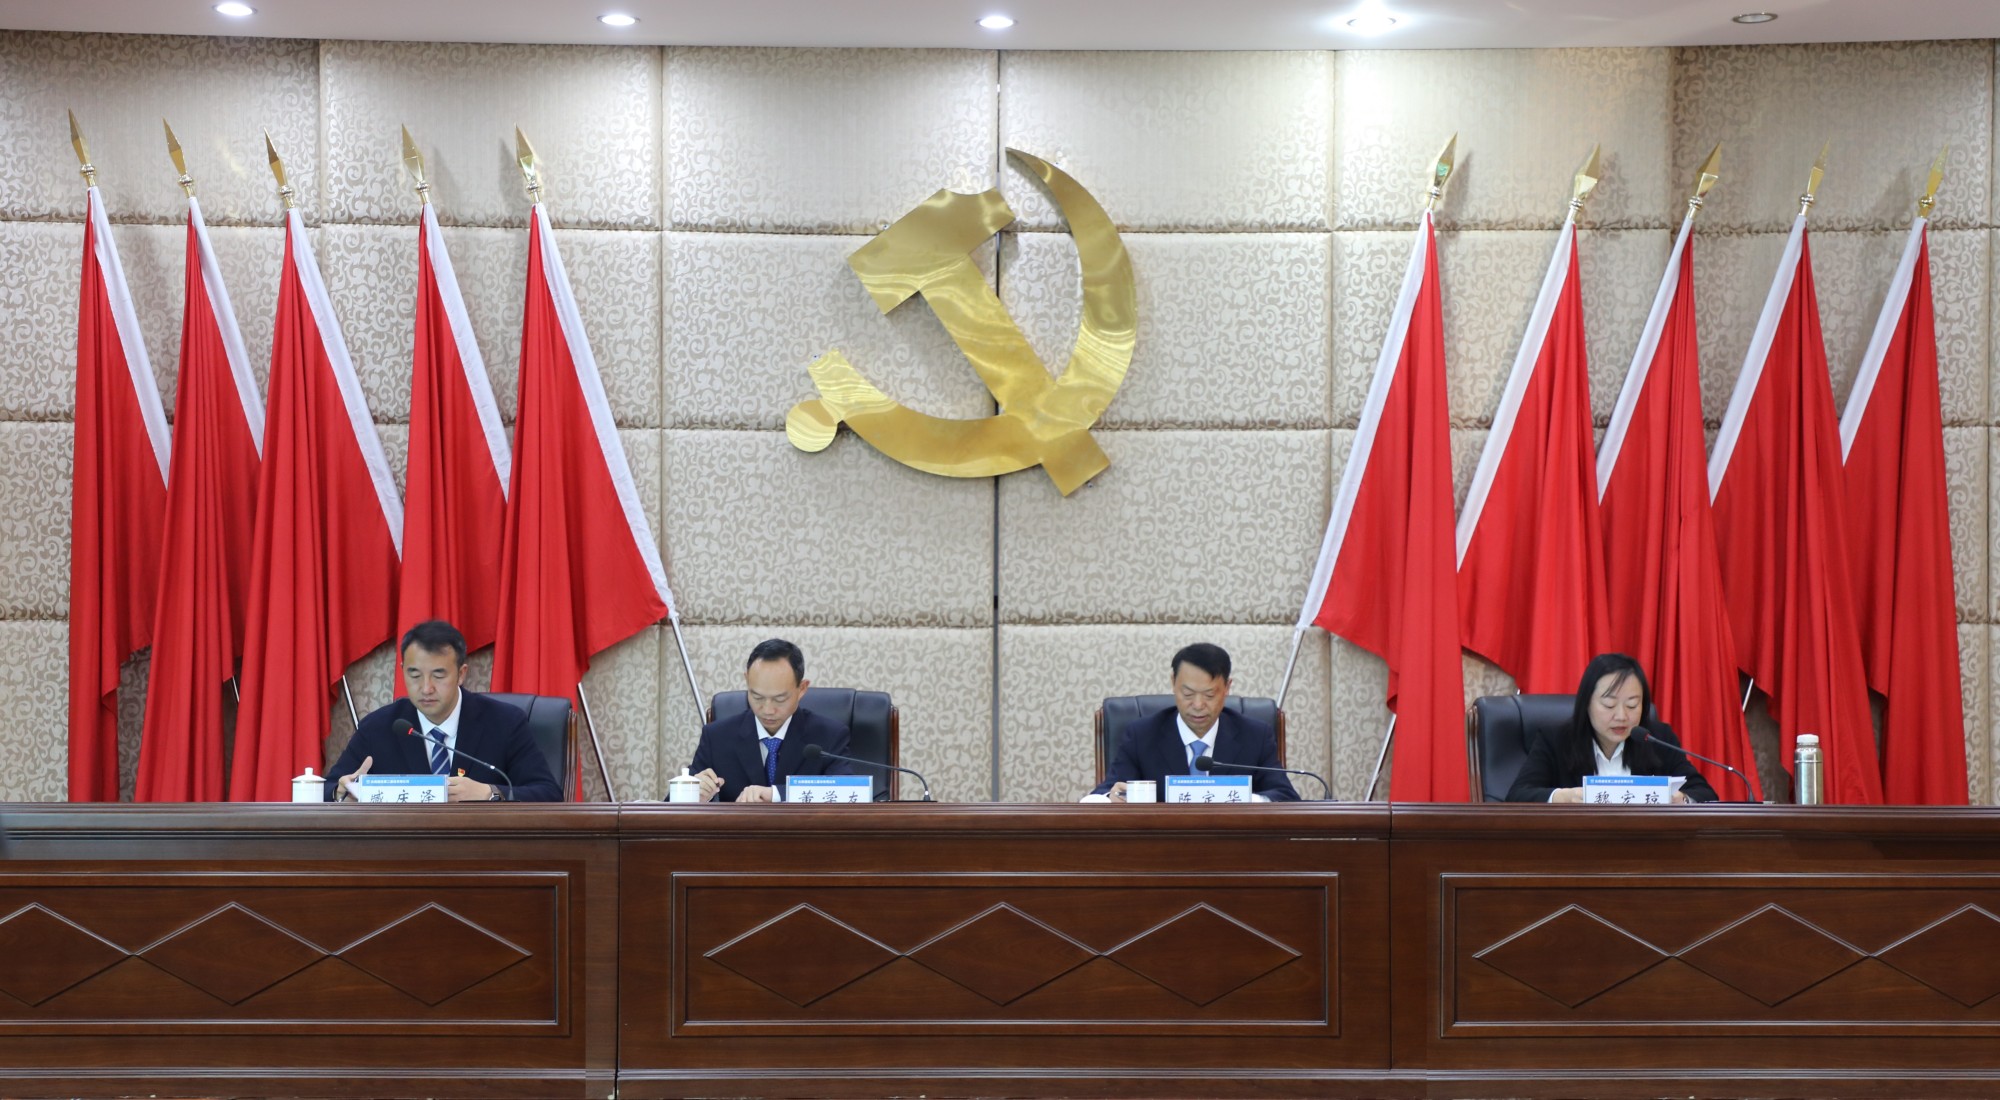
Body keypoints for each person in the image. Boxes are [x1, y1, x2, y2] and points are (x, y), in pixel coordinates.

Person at [326, 620, 563, 802]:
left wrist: (489, 792)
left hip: (481, 848)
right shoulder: (380, 727)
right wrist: (341, 791)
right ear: (403, 670)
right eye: (414, 675)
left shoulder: (505, 723)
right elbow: (329, 789)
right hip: (404, 848)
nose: (426, 688)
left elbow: (548, 794)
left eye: (438, 675)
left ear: (461, 674)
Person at [1087, 643, 1297, 802]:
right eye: (1188, 694)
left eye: (1209, 695)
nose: (1198, 705)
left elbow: (1285, 797)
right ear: (1173, 683)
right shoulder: (1141, 736)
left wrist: (1244, 800)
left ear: (1227, 688)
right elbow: (1103, 794)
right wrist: (1110, 798)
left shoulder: (1255, 736)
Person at [1507, 652, 1719, 804]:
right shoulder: (1556, 740)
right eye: (1609, 705)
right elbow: (1517, 796)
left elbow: (1705, 793)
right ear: (1586, 703)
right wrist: (1563, 797)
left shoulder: (1658, 739)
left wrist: (1682, 799)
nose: (1621, 716)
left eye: (1632, 705)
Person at [687, 638, 852, 802]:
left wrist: (776, 794)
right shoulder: (717, 737)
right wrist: (694, 794)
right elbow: (678, 801)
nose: (767, 710)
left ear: (801, 689)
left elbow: (847, 793)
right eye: (757, 697)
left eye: (779, 699)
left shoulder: (829, 736)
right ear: (747, 681)